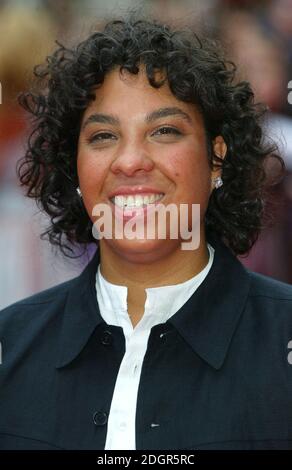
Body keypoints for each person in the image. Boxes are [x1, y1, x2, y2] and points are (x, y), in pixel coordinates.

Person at [0, 14, 291, 451]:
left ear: (216, 157)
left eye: (164, 131)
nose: (130, 160)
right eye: (102, 136)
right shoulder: (11, 345)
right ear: (73, 166)